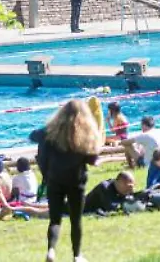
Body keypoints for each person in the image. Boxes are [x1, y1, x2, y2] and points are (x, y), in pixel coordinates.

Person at [30, 99, 103, 262]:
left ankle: (51, 251)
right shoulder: (86, 134)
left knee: (55, 219)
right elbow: (92, 158)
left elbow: (33, 135)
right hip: (76, 181)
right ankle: (77, 255)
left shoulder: (51, 132)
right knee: (75, 220)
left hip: (54, 179)